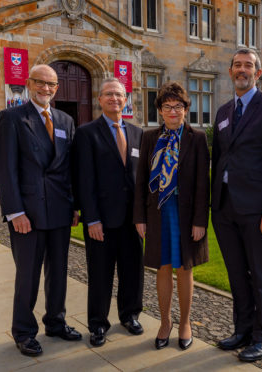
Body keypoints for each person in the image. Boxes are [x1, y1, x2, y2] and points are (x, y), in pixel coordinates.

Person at [0, 64, 82, 357]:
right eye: (41, 83)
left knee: (58, 272)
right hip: (27, 214)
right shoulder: (12, 118)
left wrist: (74, 205)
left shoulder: (65, 120)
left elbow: (69, 168)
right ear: (29, 83)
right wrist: (14, 211)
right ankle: (23, 331)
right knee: (28, 275)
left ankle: (55, 322)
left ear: (57, 89)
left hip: (59, 209)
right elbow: (5, 170)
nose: (46, 89)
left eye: (52, 85)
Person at [211, 49, 262, 362]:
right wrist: (214, 204)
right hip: (225, 208)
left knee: (260, 275)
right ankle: (242, 329)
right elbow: (218, 159)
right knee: (235, 274)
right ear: (230, 72)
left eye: (249, 66)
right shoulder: (223, 112)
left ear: (257, 74)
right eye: (238, 65)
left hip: (257, 210)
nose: (242, 70)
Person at [134, 81, 210, 351]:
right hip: (157, 214)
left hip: (187, 215)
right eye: (168, 107)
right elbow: (141, 179)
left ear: (186, 109)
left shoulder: (197, 138)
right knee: (163, 266)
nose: (173, 111)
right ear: (160, 110)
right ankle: (165, 322)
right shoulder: (149, 138)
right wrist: (139, 218)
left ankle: (185, 323)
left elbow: (204, 183)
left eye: (178, 106)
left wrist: (201, 220)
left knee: (184, 267)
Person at [74, 78, 144, 347]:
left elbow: (141, 180)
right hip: (100, 220)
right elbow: (84, 179)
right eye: (109, 94)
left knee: (133, 271)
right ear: (99, 99)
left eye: (119, 94)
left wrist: (143, 217)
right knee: (100, 274)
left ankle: (130, 315)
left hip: (132, 220)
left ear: (125, 99)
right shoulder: (87, 133)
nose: (114, 98)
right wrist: (91, 218)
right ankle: (98, 324)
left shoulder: (138, 134)